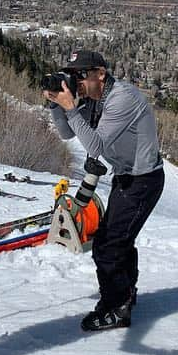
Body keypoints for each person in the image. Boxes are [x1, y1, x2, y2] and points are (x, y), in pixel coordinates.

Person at [43, 50, 164, 332]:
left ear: (101, 73)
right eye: (73, 76)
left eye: (81, 75)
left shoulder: (122, 98)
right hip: (128, 178)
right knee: (120, 240)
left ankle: (116, 307)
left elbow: (95, 147)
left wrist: (71, 109)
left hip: (143, 180)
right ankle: (126, 293)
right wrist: (56, 106)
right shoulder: (96, 100)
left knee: (108, 245)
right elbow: (67, 133)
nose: (77, 81)